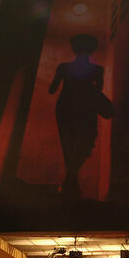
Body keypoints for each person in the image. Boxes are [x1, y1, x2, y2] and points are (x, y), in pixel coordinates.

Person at [48, 33, 109, 200]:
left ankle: (70, 184)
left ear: (74, 49)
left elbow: (52, 89)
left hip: (65, 108)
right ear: (92, 50)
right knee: (85, 143)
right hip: (85, 109)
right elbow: (98, 91)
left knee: (68, 145)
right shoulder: (98, 70)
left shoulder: (63, 67)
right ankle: (71, 186)